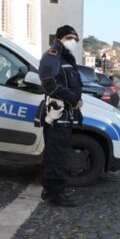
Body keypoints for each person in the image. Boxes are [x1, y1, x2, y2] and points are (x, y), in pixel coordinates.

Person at [38, 25, 84, 207]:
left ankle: (50, 190)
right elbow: (49, 83)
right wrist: (72, 98)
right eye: (71, 38)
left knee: (57, 155)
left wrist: (76, 101)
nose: (74, 42)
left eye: (76, 39)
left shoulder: (65, 57)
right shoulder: (53, 55)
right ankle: (56, 194)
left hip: (66, 114)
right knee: (56, 156)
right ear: (62, 38)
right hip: (57, 115)